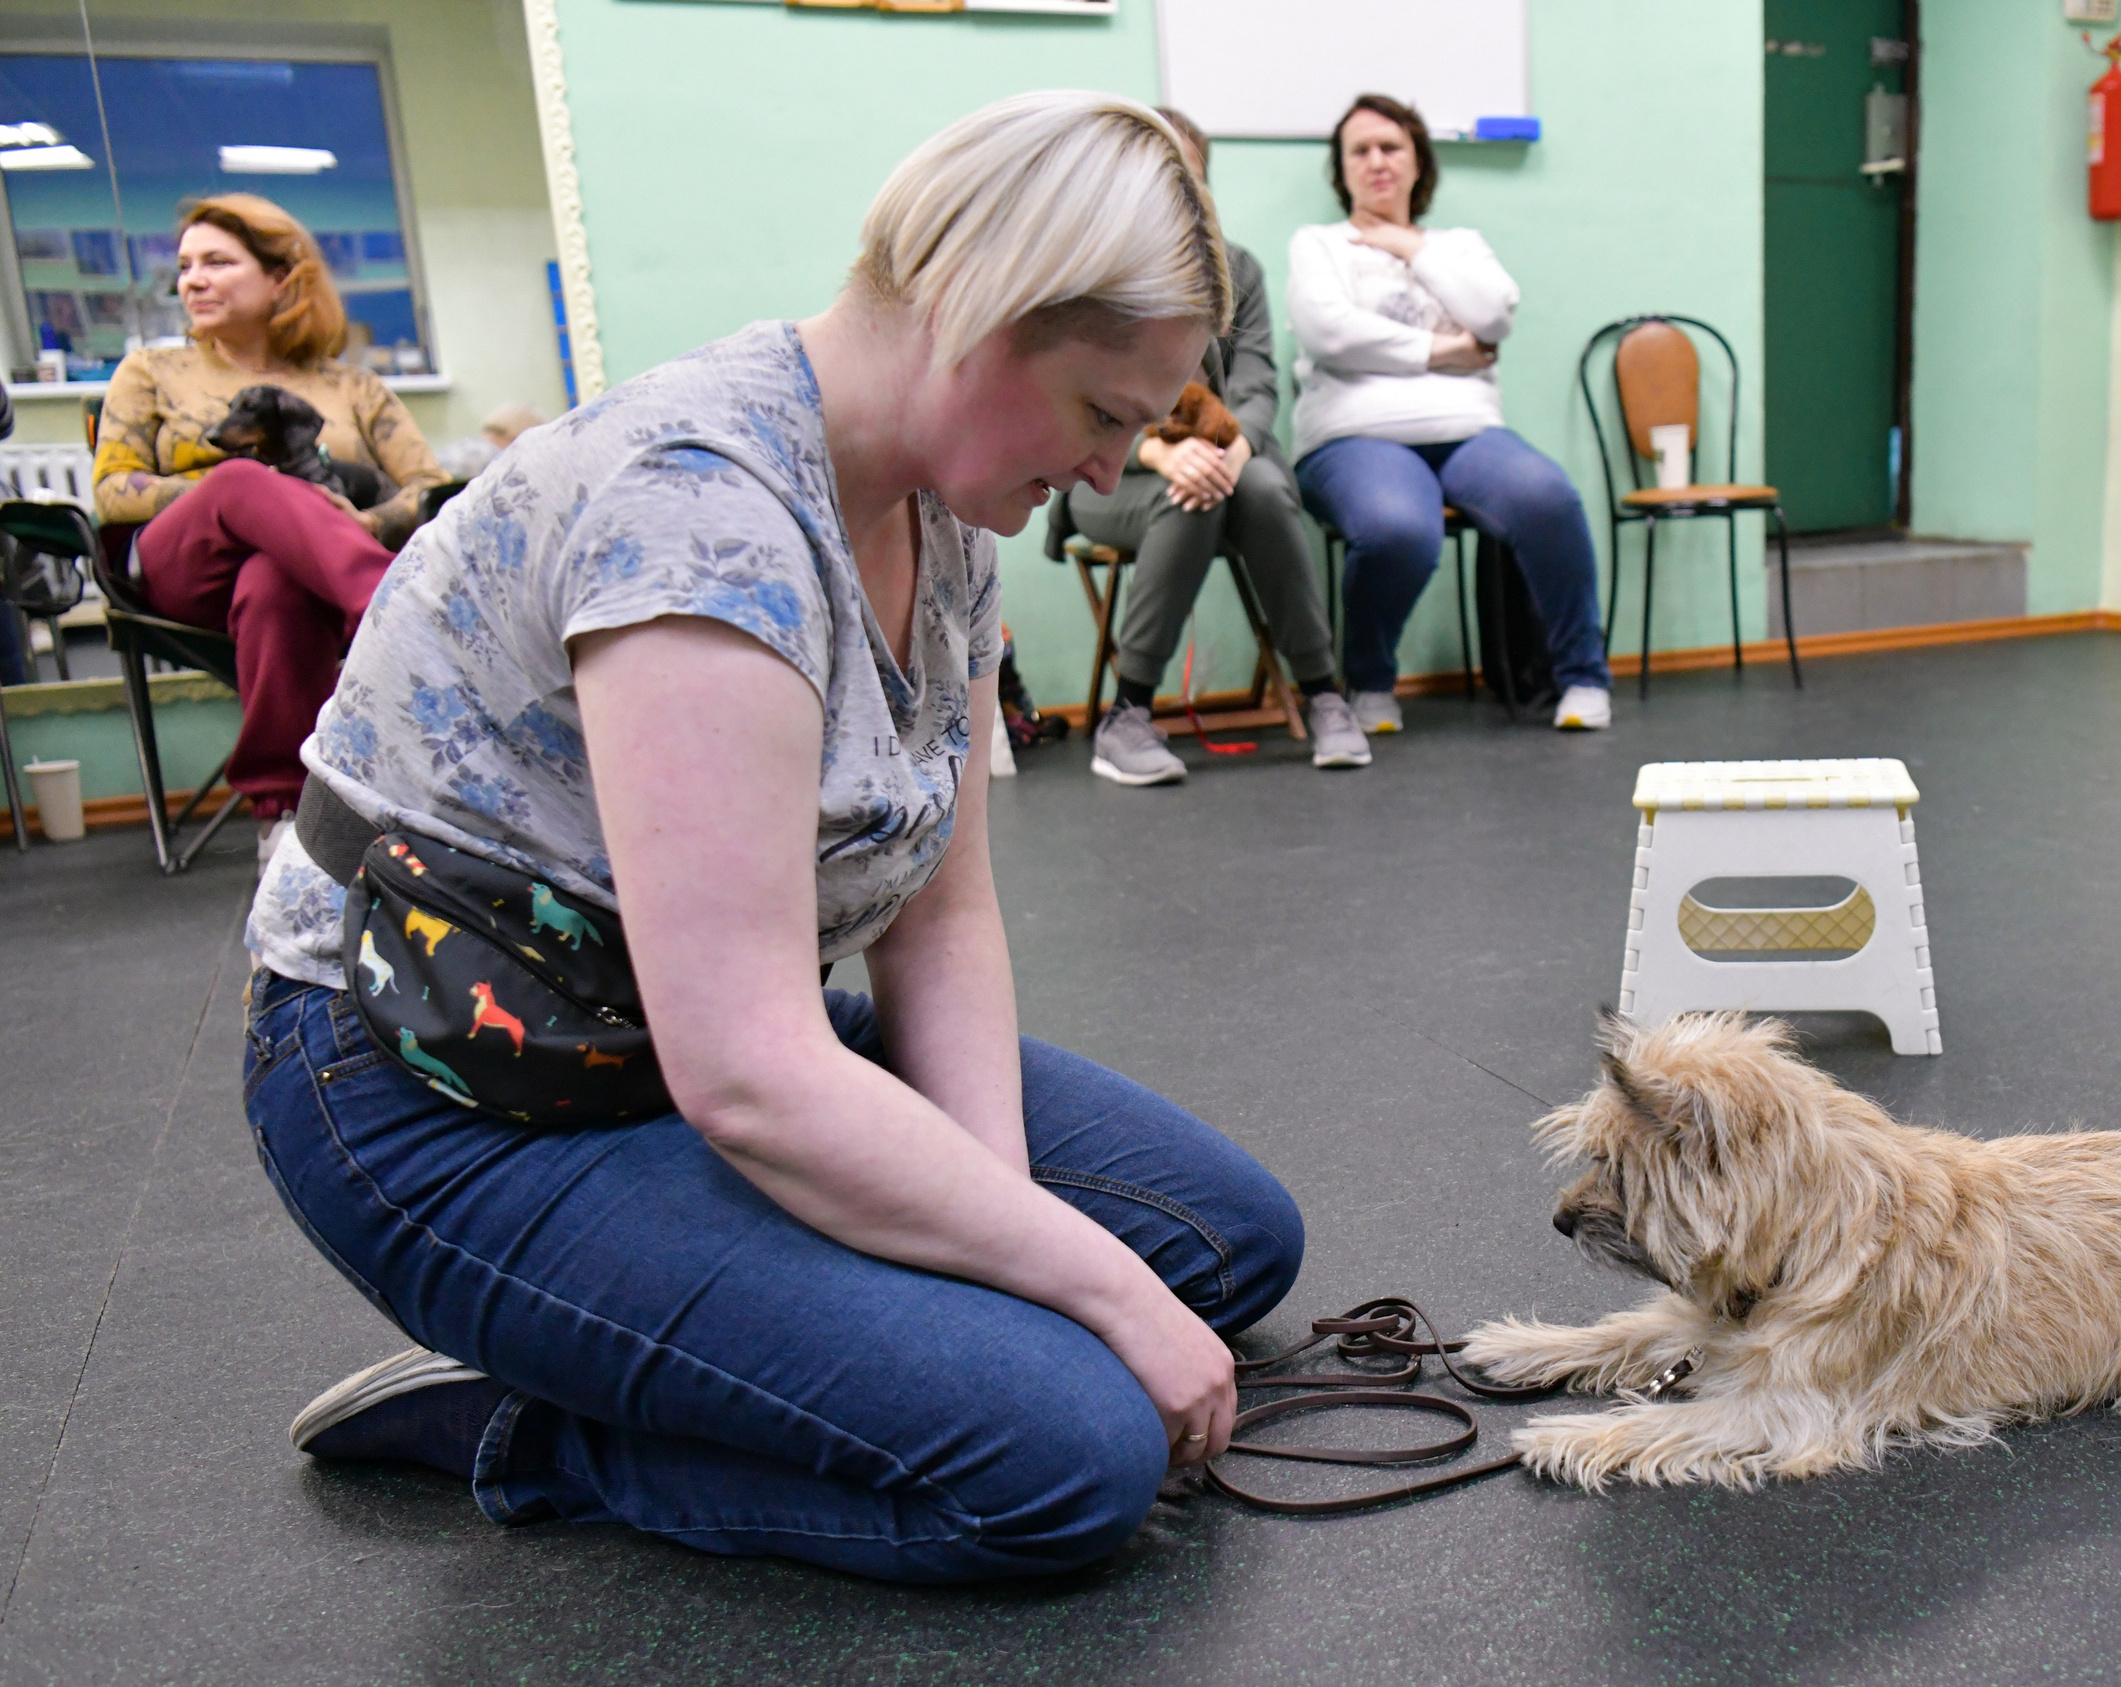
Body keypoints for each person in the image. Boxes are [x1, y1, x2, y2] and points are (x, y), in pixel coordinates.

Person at [241, 92, 1302, 1585]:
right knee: (1068, 1462)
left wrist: (1008, 1246)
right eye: (1104, 414)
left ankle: (712, 1340)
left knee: (1226, 1237)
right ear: (975, 317)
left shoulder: (945, 520)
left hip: (674, 1037)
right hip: (441, 1084)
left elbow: (943, 916)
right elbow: (743, 1068)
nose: (1117, 469)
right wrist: (1071, 1296)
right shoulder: (705, 520)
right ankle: (524, 1427)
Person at [93, 194, 445, 860]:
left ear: (283, 276)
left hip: (301, 574)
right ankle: (404, 618)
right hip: (181, 566)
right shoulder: (150, 372)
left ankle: (284, 817)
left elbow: (429, 490)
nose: (192, 279)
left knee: (276, 578)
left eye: (218, 262)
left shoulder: (354, 388)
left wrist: (359, 518)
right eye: (186, 265)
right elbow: (113, 491)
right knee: (244, 480)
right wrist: (249, 498)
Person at [1048, 107, 1367, 783]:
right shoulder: (1088, 275)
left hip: (1223, 462)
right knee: (1186, 496)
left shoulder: (1238, 270)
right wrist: (1161, 453)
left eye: (1184, 177)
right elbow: (1071, 409)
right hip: (1110, 477)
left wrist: (1234, 450)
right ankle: (1127, 716)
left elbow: (1256, 384)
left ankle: (1326, 698)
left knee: (1260, 486)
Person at [1287, 94, 1614, 733]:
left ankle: (1582, 677)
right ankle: (1372, 682)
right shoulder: (1319, 244)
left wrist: (1412, 248)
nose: (1377, 161)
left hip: (1467, 431)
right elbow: (1330, 334)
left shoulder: (1459, 246)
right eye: (1360, 150)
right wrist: (1445, 350)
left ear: (1417, 163)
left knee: (1550, 499)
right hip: (1353, 436)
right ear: (1342, 169)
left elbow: (1493, 315)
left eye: (1392, 147)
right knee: (1398, 529)